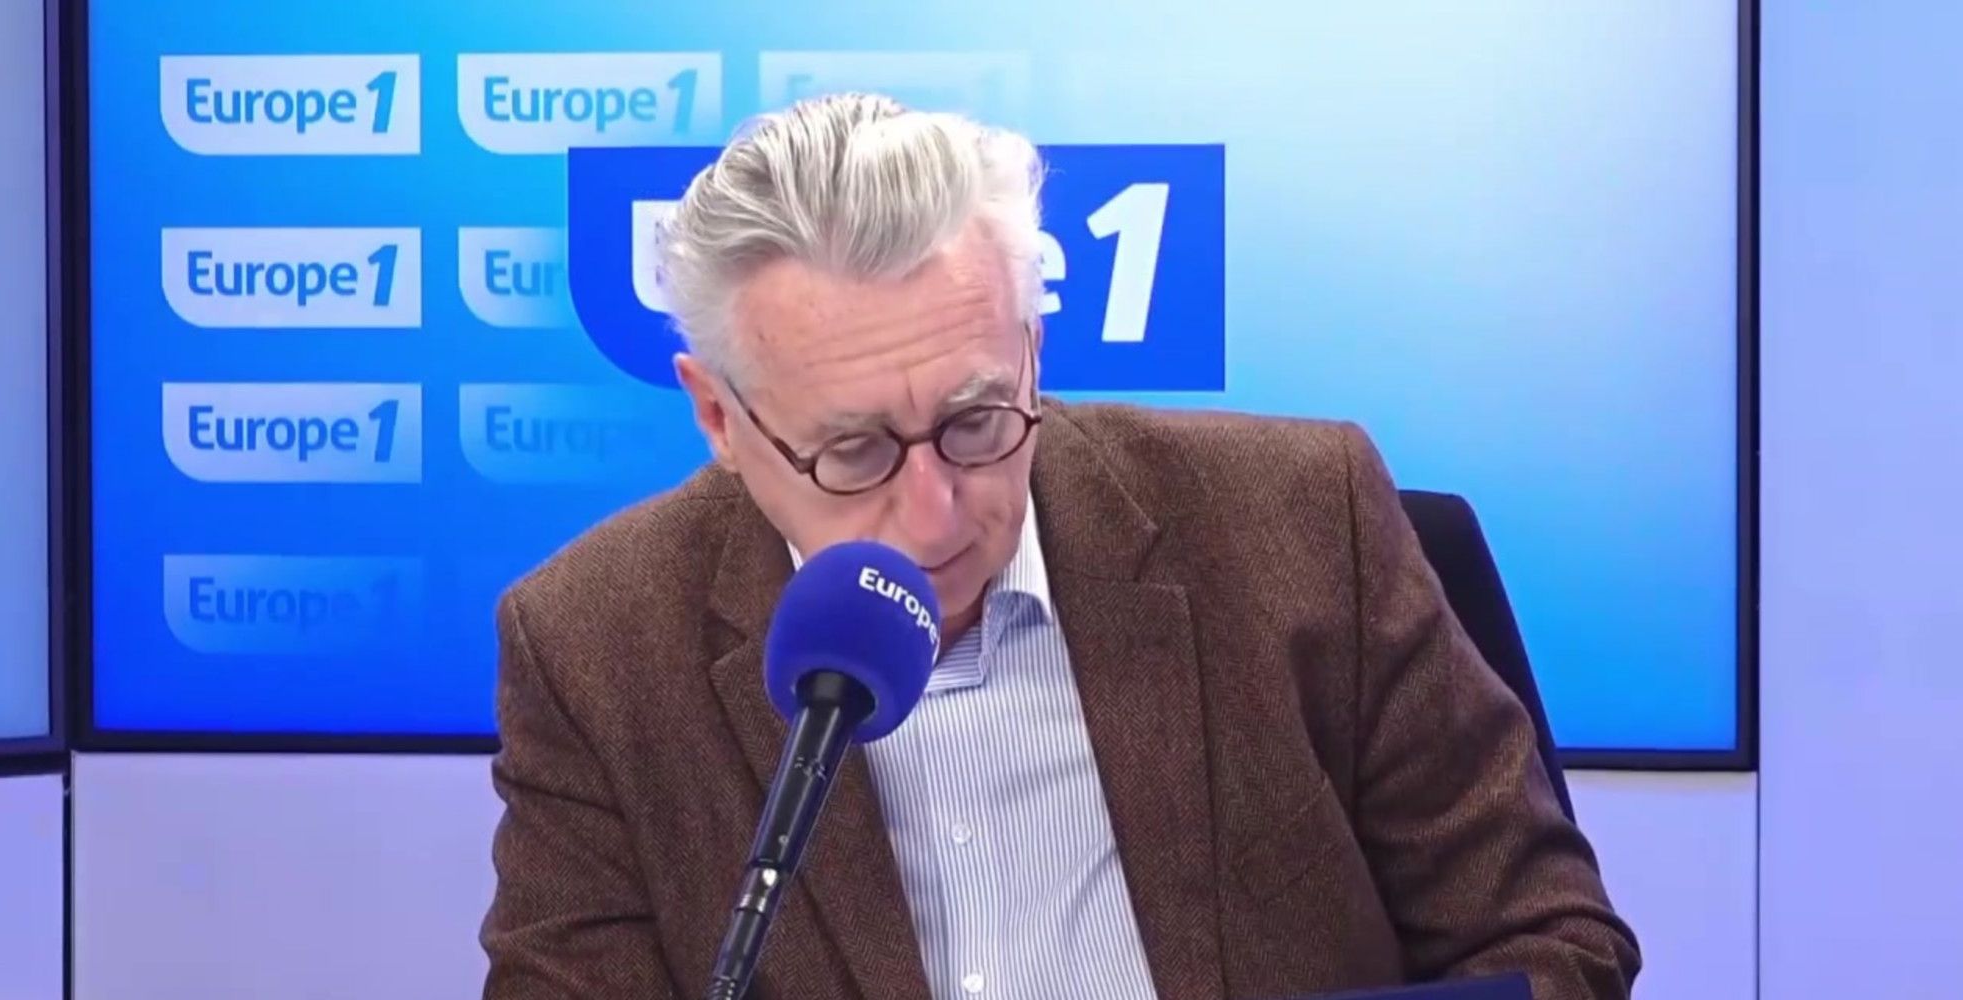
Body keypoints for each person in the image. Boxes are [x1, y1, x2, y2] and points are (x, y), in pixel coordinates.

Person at [480, 92, 1640, 1000]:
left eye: (976, 421)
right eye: (853, 452)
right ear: (719, 417)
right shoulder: (594, 646)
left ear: (1031, 347)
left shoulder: (1295, 523)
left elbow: (1549, 944)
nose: (934, 513)